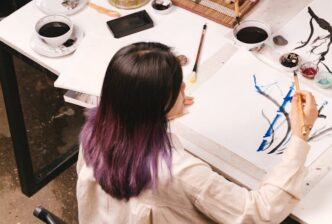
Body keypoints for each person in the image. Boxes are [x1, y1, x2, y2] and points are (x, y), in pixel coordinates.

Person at [77, 42, 318, 223]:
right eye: (178, 87)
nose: (184, 88)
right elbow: (259, 212)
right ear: (156, 104)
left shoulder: (95, 130)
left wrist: (163, 111)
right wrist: (299, 136)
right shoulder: (180, 172)